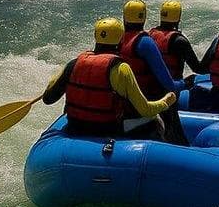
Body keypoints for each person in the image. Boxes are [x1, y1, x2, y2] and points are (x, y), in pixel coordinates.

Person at [42, 18, 178, 139]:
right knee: (154, 119)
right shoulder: (120, 68)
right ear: (120, 39)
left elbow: (48, 99)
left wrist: (59, 75)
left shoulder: (74, 63)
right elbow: (145, 110)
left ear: (96, 36)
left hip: (74, 127)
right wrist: (166, 101)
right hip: (107, 130)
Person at [119, 0, 188, 145]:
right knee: (168, 96)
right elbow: (168, 84)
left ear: (124, 17)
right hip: (147, 101)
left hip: (123, 103)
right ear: (143, 17)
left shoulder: (117, 40)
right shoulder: (145, 43)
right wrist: (184, 84)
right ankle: (177, 144)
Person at [147, 0, 202, 81]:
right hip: (172, 84)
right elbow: (197, 69)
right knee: (194, 78)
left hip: (151, 82)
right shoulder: (179, 41)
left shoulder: (149, 35)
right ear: (178, 17)